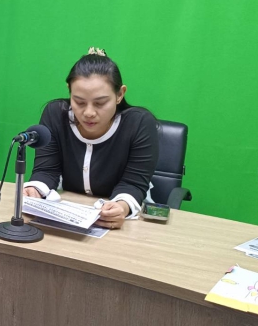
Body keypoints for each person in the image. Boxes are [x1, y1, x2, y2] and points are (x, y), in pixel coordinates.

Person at [23, 47, 159, 229]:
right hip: (71, 214)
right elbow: (47, 170)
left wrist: (122, 207)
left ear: (120, 94)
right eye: (79, 102)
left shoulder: (139, 124)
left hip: (125, 222)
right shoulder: (55, 114)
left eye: (100, 103)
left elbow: (133, 184)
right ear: (69, 91)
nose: (88, 113)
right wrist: (35, 189)